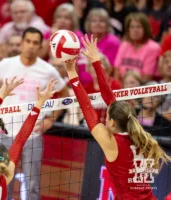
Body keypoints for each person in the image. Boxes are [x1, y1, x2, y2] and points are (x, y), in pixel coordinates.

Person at [64, 34, 170, 199]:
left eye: (107, 116)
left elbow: (86, 107)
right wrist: (96, 61)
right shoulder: (136, 132)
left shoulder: (111, 142)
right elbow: (109, 98)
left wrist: (71, 72)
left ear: (112, 122)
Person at [0, 27, 69, 200]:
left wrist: (51, 118)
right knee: (3, 181)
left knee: (32, 184)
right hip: (6, 131)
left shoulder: (48, 70)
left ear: (41, 46)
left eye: (35, 43)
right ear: (21, 43)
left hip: (33, 135)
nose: (31, 46)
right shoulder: (5, 65)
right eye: (28, 41)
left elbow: (65, 95)